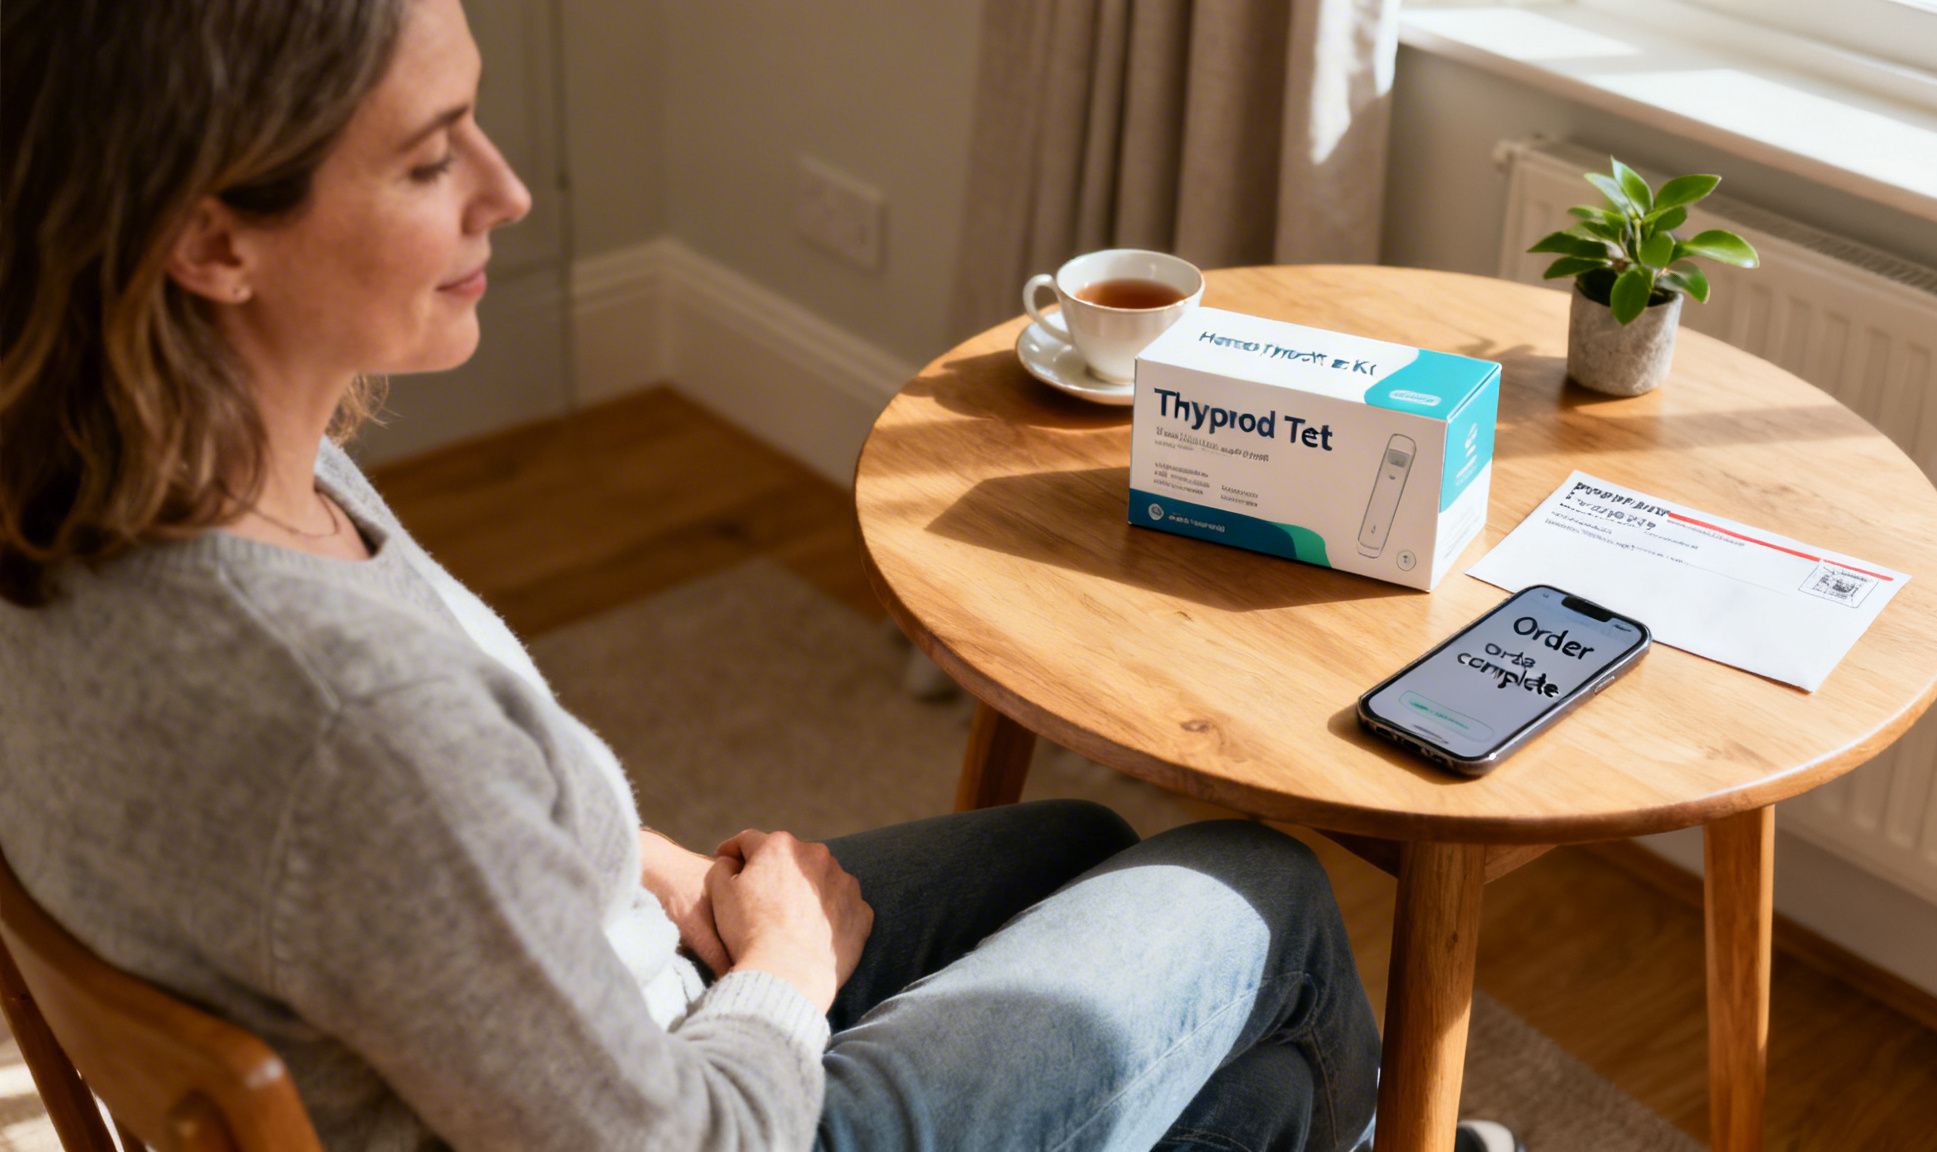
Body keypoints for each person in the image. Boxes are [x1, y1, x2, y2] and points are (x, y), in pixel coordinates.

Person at [0, 3, 1522, 1150]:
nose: (506, 191)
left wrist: (648, 870)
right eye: (425, 158)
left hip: (562, 1034)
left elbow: (445, 863)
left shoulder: (156, 471)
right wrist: (786, 966)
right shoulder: (348, 725)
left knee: (1071, 846)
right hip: (701, 1114)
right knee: (1257, 891)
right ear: (211, 238)